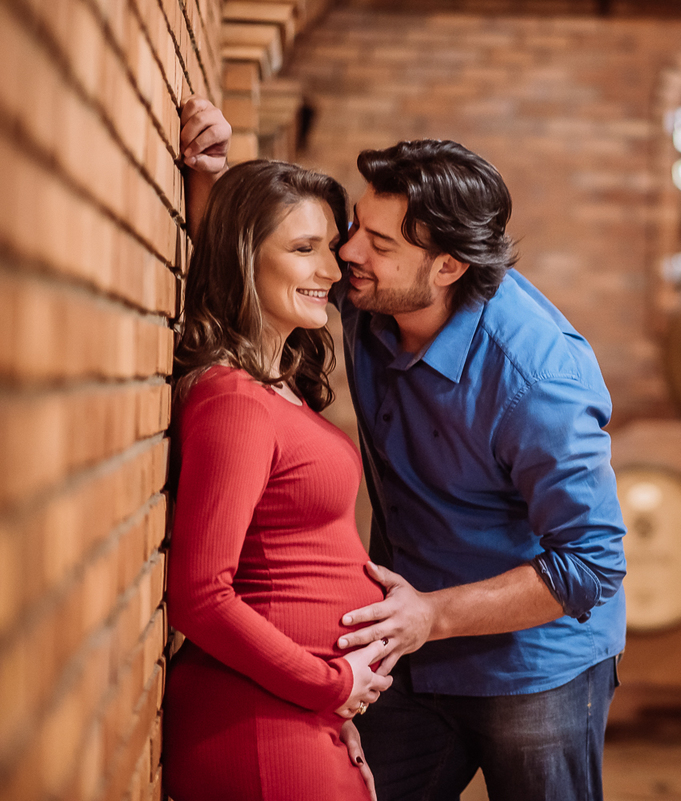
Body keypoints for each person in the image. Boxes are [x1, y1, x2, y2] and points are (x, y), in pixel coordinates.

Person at [181, 100, 628, 800]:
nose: (349, 253)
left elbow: (592, 563)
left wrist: (433, 615)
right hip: (401, 658)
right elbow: (259, 267)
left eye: (379, 243)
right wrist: (211, 179)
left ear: (446, 267)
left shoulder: (540, 377)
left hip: (533, 671)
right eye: (357, 227)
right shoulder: (371, 291)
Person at [164, 150, 394, 801]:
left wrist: (334, 700)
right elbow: (201, 596)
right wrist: (332, 684)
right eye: (304, 248)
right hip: (258, 720)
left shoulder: (274, 386)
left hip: (298, 711)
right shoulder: (233, 401)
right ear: (244, 257)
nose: (332, 269)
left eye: (331, 246)